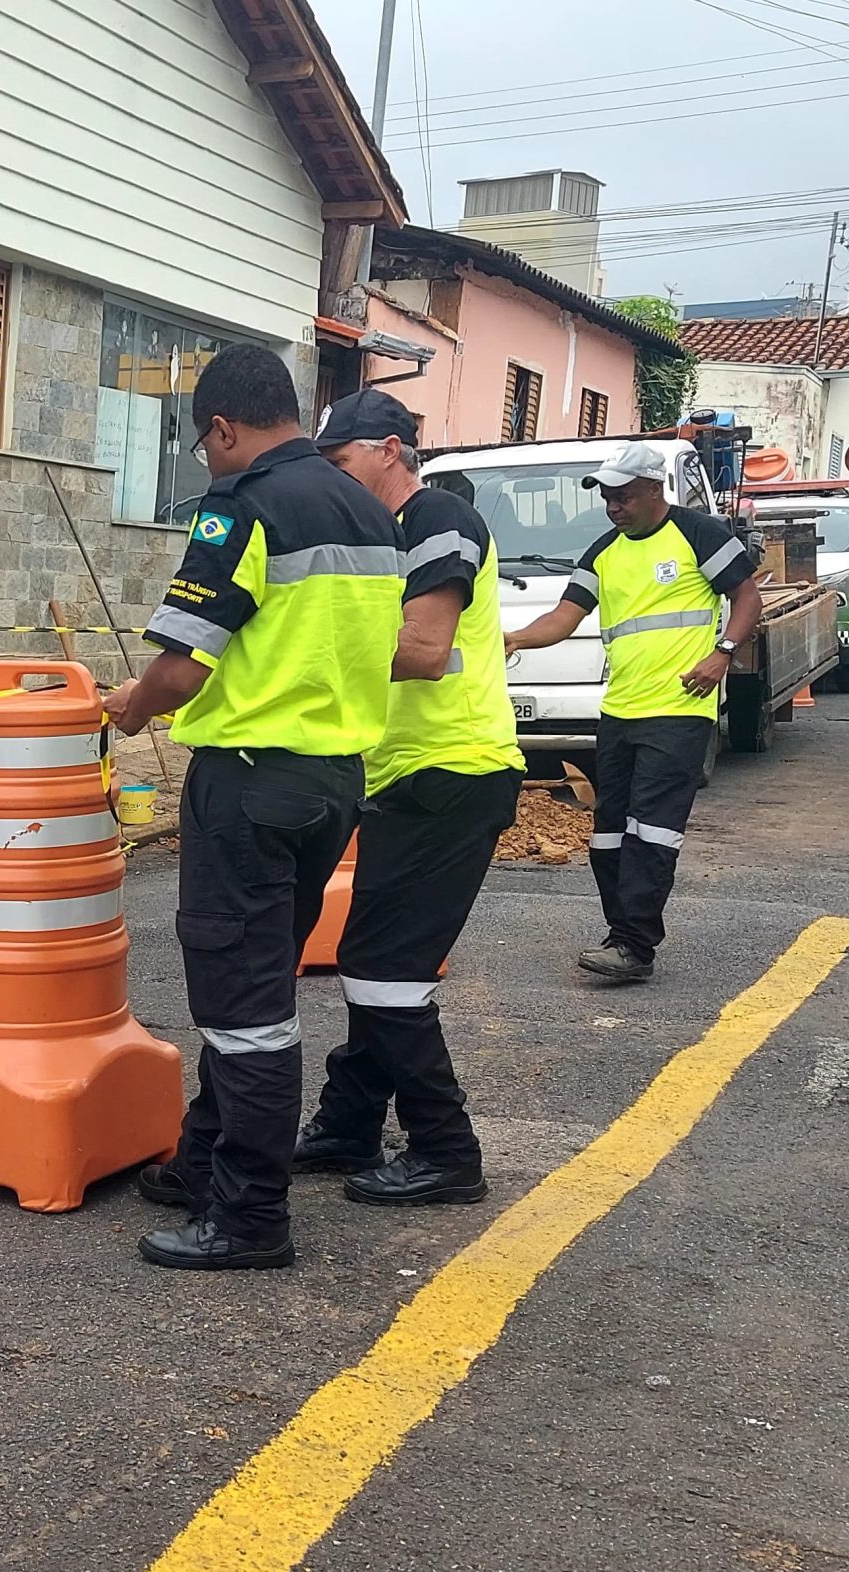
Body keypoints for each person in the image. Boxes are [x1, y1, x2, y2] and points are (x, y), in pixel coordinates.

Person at [102, 346, 404, 1271]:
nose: (210, 463)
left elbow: (186, 660)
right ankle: (204, 1161)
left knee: (245, 1005)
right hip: (333, 782)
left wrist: (130, 704)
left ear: (225, 429)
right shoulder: (370, 511)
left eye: (206, 447)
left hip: (251, 782)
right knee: (260, 982)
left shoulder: (242, 507)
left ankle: (247, 1214)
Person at [296, 389, 527, 1205]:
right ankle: (349, 1121)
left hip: (453, 772)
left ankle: (446, 1149)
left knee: (384, 968)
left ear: (389, 449)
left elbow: (426, 651)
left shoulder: (436, 519)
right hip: (407, 775)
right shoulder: (384, 533)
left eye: (341, 461)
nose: (333, 477)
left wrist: (303, 663)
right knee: (373, 962)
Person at [503, 441, 762, 984]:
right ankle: (623, 935)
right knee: (607, 836)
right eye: (607, 499)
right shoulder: (603, 553)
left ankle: (634, 945)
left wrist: (724, 654)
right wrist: (511, 639)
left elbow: (747, 597)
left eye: (622, 497)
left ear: (653, 489)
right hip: (620, 711)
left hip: (679, 710)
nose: (613, 507)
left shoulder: (697, 534)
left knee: (653, 832)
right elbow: (563, 618)